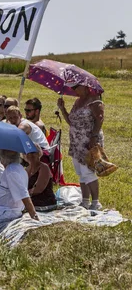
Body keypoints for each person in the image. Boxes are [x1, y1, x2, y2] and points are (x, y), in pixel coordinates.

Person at [58, 82, 105, 210]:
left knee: (88, 172)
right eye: (71, 88)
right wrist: (62, 109)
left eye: (75, 87)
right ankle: (85, 201)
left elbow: (100, 118)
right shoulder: (78, 101)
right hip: (76, 142)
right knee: (80, 172)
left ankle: (96, 202)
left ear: (84, 86)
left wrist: (94, 137)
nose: (73, 90)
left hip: (88, 141)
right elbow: (71, 121)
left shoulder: (94, 100)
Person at [25, 144, 57, 209]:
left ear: (39, 154)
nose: (31, 155)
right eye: (28, 153)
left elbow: (38, 189)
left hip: (45, 201)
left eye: (33, 153)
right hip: (31, 198)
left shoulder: (44, 167)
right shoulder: (26, 169)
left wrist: (23, 196)